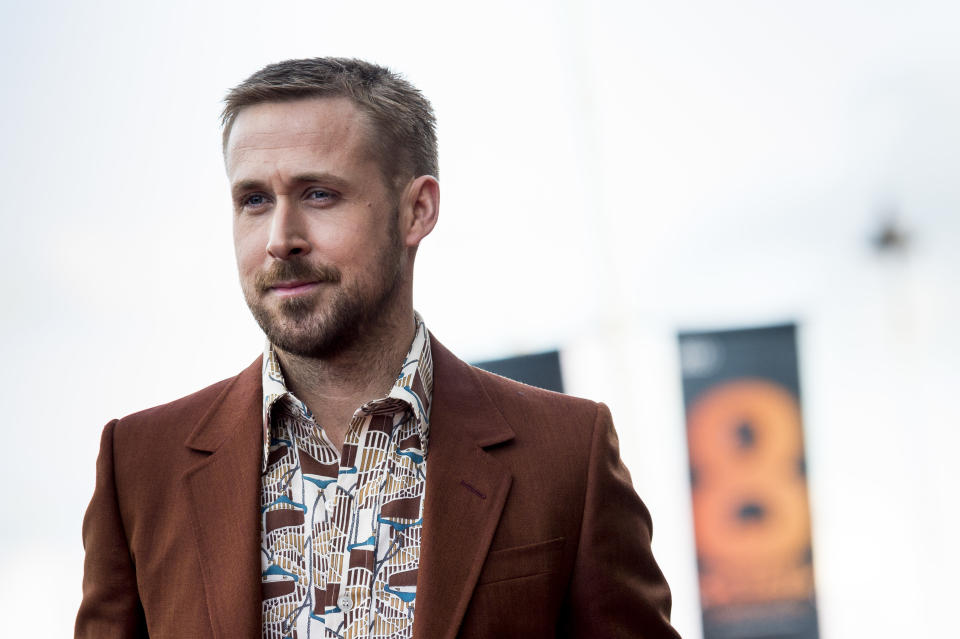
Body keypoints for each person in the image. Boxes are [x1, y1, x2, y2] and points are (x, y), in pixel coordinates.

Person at [76, 57, 681, 639]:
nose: (280, 238)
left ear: (417, 210)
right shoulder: (139, 467)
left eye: (318, 194)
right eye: (254, 200)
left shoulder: (565, 456)